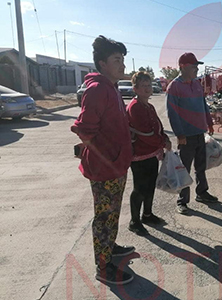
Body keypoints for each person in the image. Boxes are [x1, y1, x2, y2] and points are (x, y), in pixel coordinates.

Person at [71, 35, 135, 284]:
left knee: (112, 213)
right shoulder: (98, 89)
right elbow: (85, 129)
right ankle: (103, 266)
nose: (122, 65)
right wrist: (101, 156)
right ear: (102, 63)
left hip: (116, 163)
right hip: (105, 168)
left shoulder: (111, 87)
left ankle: (110, 247)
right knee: (104, 218)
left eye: (123, 59)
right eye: (117, 60)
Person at [166, 52, 218, 214]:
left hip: (200, 132)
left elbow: (203, 105)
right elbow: (172, 113)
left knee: (201, 166)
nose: (196, 69)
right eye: (194, 66)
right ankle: (182, 200)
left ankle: (202, 192)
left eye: (197, 66)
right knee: (184, 169)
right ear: (183, 67)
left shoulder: (196, 83)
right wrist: (179, 134)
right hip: (186, 136)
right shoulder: (174, 87)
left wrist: (208, 122)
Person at [126, 71, 172, 236]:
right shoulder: (135, 107)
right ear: (135, 88)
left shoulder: (149, 106)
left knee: (150, 185)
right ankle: (134, 221)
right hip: (139, 155)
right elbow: (144, 134)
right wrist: (162, 142)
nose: (147, 88)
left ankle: (147, 214)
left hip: (152, 153)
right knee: (140, 188)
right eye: (143, 86)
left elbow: (158, 128)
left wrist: (164, 137)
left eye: (148, 85)